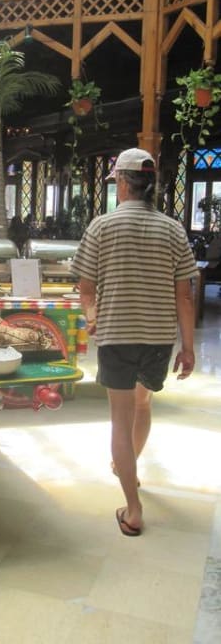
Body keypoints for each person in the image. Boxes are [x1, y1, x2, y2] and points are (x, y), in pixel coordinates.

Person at [71, 148, 197, 537]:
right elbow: (184, 296)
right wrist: (188, 347)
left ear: (123, 183)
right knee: (143, 405)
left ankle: (134, 508)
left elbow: (86, 288)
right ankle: (130, 469)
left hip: (117, 335)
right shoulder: (173, 229)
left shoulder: (101, 226)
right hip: (157, 338)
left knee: (120, 421)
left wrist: (93, 318)